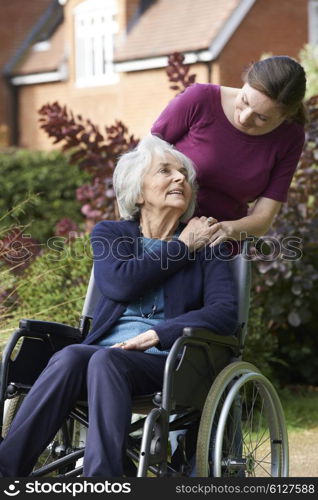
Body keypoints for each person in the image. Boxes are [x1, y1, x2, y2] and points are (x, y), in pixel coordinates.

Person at [0, 135, 238, 477]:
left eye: (183, 173)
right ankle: (6, 471)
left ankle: (102, 480)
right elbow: (121, 283)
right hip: (104, 355)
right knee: (70, 356)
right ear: (138, 193)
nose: (180, 178)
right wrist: (182, 247)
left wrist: (159, 333)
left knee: (105, 359)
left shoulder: (207, 245)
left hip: (172, 361)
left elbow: (224, 312)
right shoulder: (111, 235)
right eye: (165, 171)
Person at [151, 55, 307, 247]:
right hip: (160, 235)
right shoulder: (200, 99)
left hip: (221, 246)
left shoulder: (290, 137)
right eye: (245, 100)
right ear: (245, 81)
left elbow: (262, 218)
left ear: (286, 117)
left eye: (262, 117)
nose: (244, 117)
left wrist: (225, 230)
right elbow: (143, 161)